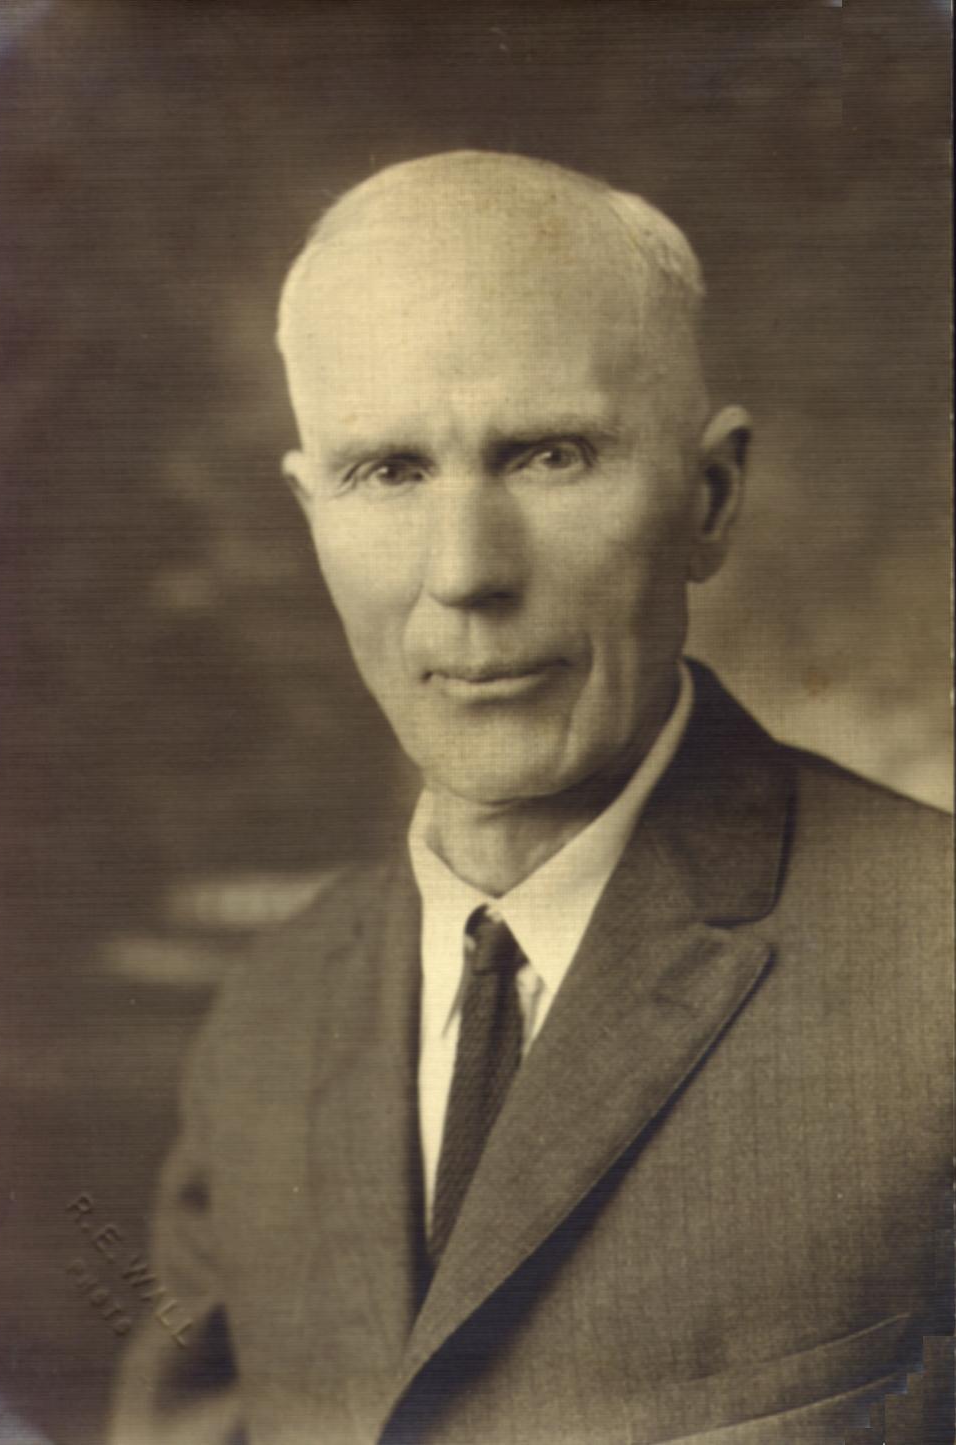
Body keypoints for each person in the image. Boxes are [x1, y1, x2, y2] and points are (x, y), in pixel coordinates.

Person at [109, 151, 952, 1445]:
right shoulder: (267, 1023)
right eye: (388, 472)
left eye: (551, 455)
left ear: (710, 499)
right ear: (310, 515)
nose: (465, 573)